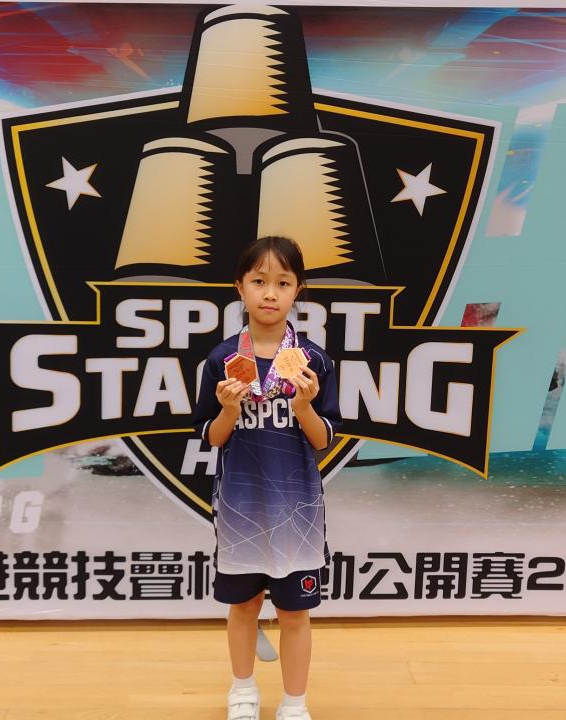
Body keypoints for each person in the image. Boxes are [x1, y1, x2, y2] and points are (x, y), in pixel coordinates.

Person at [192, 236, 341, 720]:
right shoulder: (221, 360)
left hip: (297, 511)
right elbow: (212, 437)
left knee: (295, 612)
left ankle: (295, 702)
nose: (270, 293)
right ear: (240, 287)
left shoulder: (314, 361)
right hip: (240, 508)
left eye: (282, 282)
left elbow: (323, 439)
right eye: (259, 281)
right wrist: (228, 410)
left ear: (298, 290)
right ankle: (243, 691)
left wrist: (304, 406)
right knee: (243, 607)